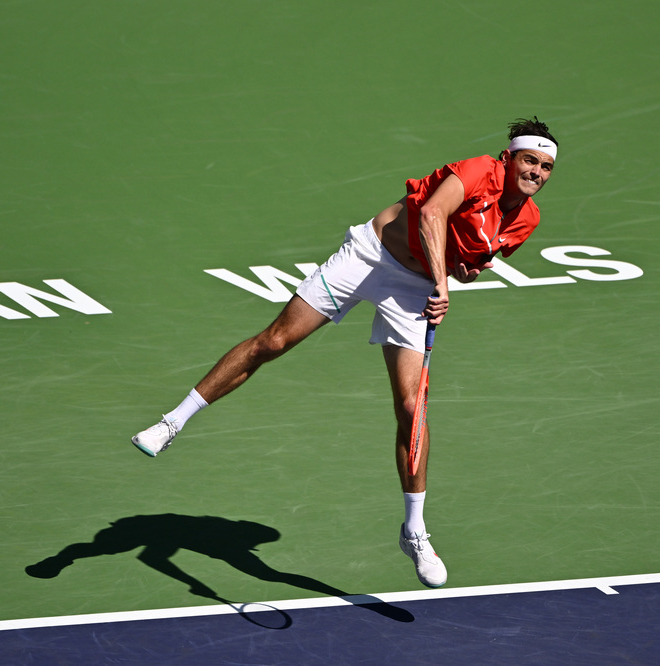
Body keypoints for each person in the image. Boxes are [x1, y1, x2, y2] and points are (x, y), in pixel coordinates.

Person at [131, 117, 558, 589]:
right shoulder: (479, 170)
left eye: (546, 167)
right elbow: (434, 214)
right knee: (275, 341)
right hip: (369, 257)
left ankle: (414, 529)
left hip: (413, 290)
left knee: (412, 409)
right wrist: (443, 280)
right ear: (509, 157)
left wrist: (456, 273)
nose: (537, 172)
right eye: (530, 160)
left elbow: (469, 261)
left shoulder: (527, 219)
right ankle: (173, 421)